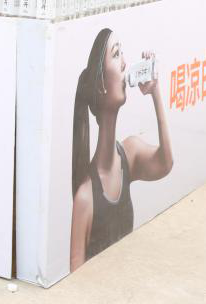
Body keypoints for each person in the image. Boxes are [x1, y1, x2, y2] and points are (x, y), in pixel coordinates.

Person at [70, 28, 173, 270]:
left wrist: (155, 92)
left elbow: (166, 163)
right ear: (101, 86)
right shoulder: (85, 197)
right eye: (117, 55)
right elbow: (74, 279)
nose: (126, 63)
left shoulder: (130, 153)